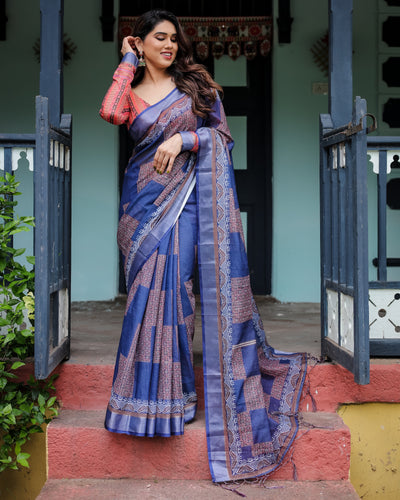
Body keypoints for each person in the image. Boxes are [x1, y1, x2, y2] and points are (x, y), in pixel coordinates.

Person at [99, 9, 307, 483]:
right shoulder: (130, 91)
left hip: (188, 202)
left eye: (174, 38)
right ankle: (139, 402)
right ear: (141, 42)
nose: (169, 45)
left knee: (177, 293)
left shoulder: (196, 87)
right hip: (141, 204)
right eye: (159, 38)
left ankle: (178, 398)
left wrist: (186, 139)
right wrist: (126, 62)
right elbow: (111, 112)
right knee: (143, 296)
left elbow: (223, 138)